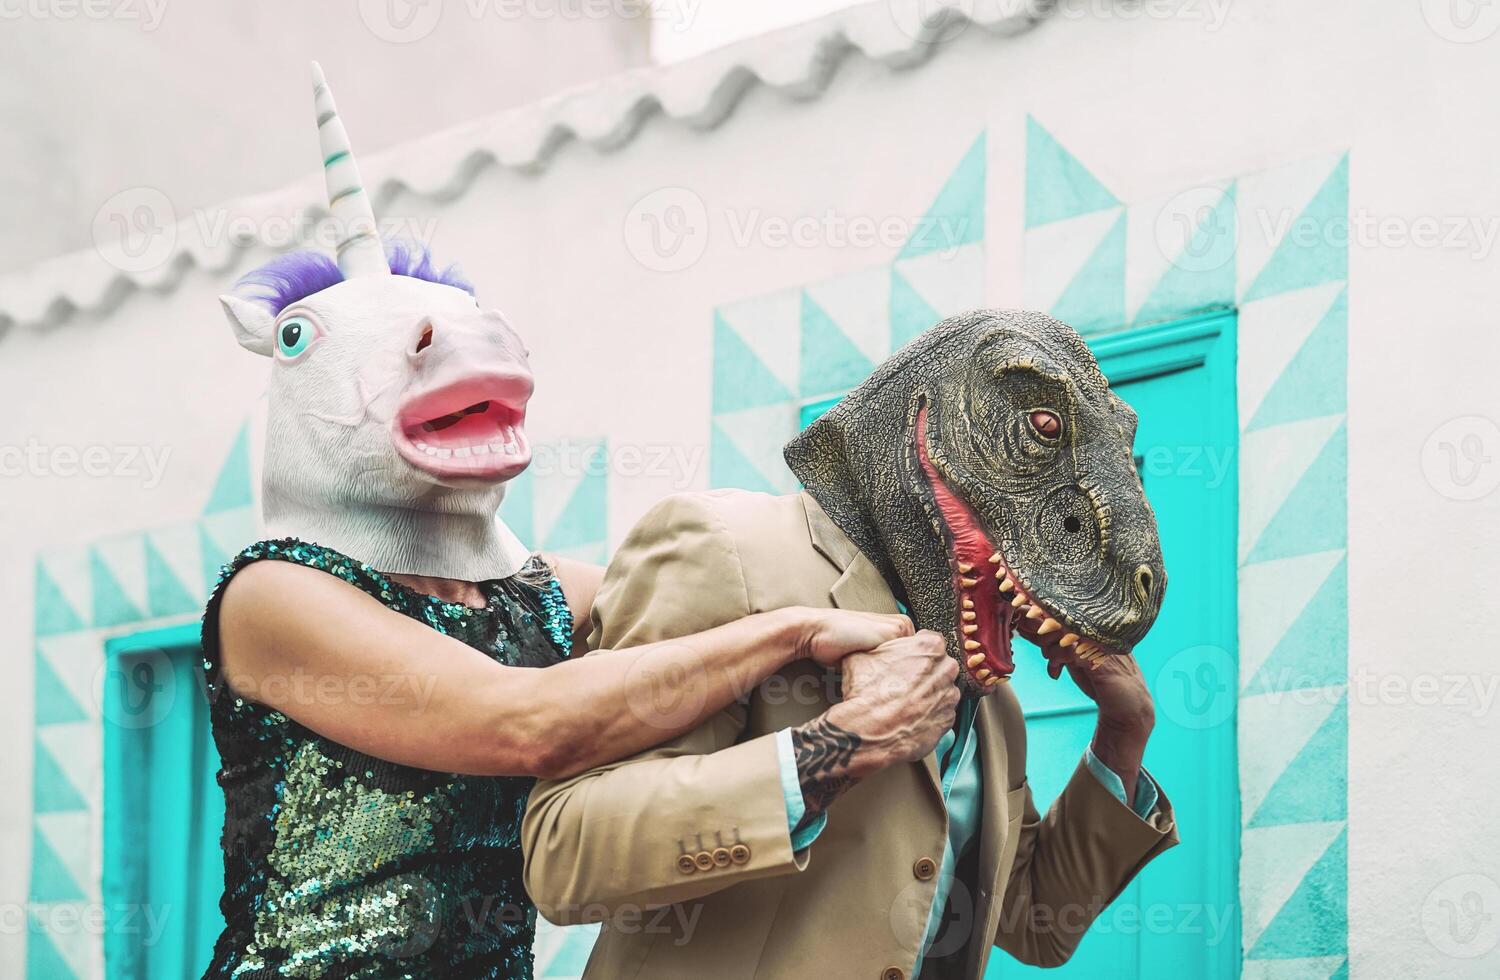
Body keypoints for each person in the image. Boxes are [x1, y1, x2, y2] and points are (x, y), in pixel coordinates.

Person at [198, 65, 951, 979]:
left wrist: (874, 624)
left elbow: (705, 597)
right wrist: (798, 632)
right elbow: (526, 725)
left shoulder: (547, 594)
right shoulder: (273, 597)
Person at [523, 310, 1180, 979]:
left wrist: (1124, 733)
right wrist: (838, 748)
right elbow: (564, 855)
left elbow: (1036, 923)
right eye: (1040, 430)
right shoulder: (725, 547)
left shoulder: (995, 706)